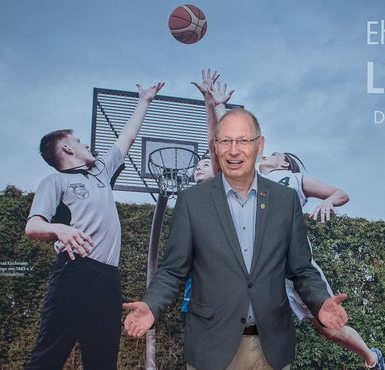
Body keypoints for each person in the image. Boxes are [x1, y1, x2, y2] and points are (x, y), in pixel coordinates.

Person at [123, 108, 350, 370]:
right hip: (210, 348)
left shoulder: (286, 201)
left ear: (259, 145)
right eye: (226, 141)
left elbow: (301, 270)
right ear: (216, 147)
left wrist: (321, 302)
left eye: (243, 141)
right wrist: (152, 306)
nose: (234, 150)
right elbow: (174, 270)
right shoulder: (191, 202)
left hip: (272, 349)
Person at [192, 70, 385, 370]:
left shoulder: (293, 180)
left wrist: (327, 202)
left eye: (274, 153)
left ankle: (372, 359)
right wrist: (214, 105)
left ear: (284, 162)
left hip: (291, 268)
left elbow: (341, 193)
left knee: (328, 329)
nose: (266, 153)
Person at [23, 82, 164, 369]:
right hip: (73, 272)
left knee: (102, 361)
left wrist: (144, 101)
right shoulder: (56, 182)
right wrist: (59, 229)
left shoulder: (101, 172)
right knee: (48, 357)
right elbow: (33, 226)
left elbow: (127, 138)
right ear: (66, 148)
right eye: (79, 142)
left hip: (107, 279)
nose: (86, 145)